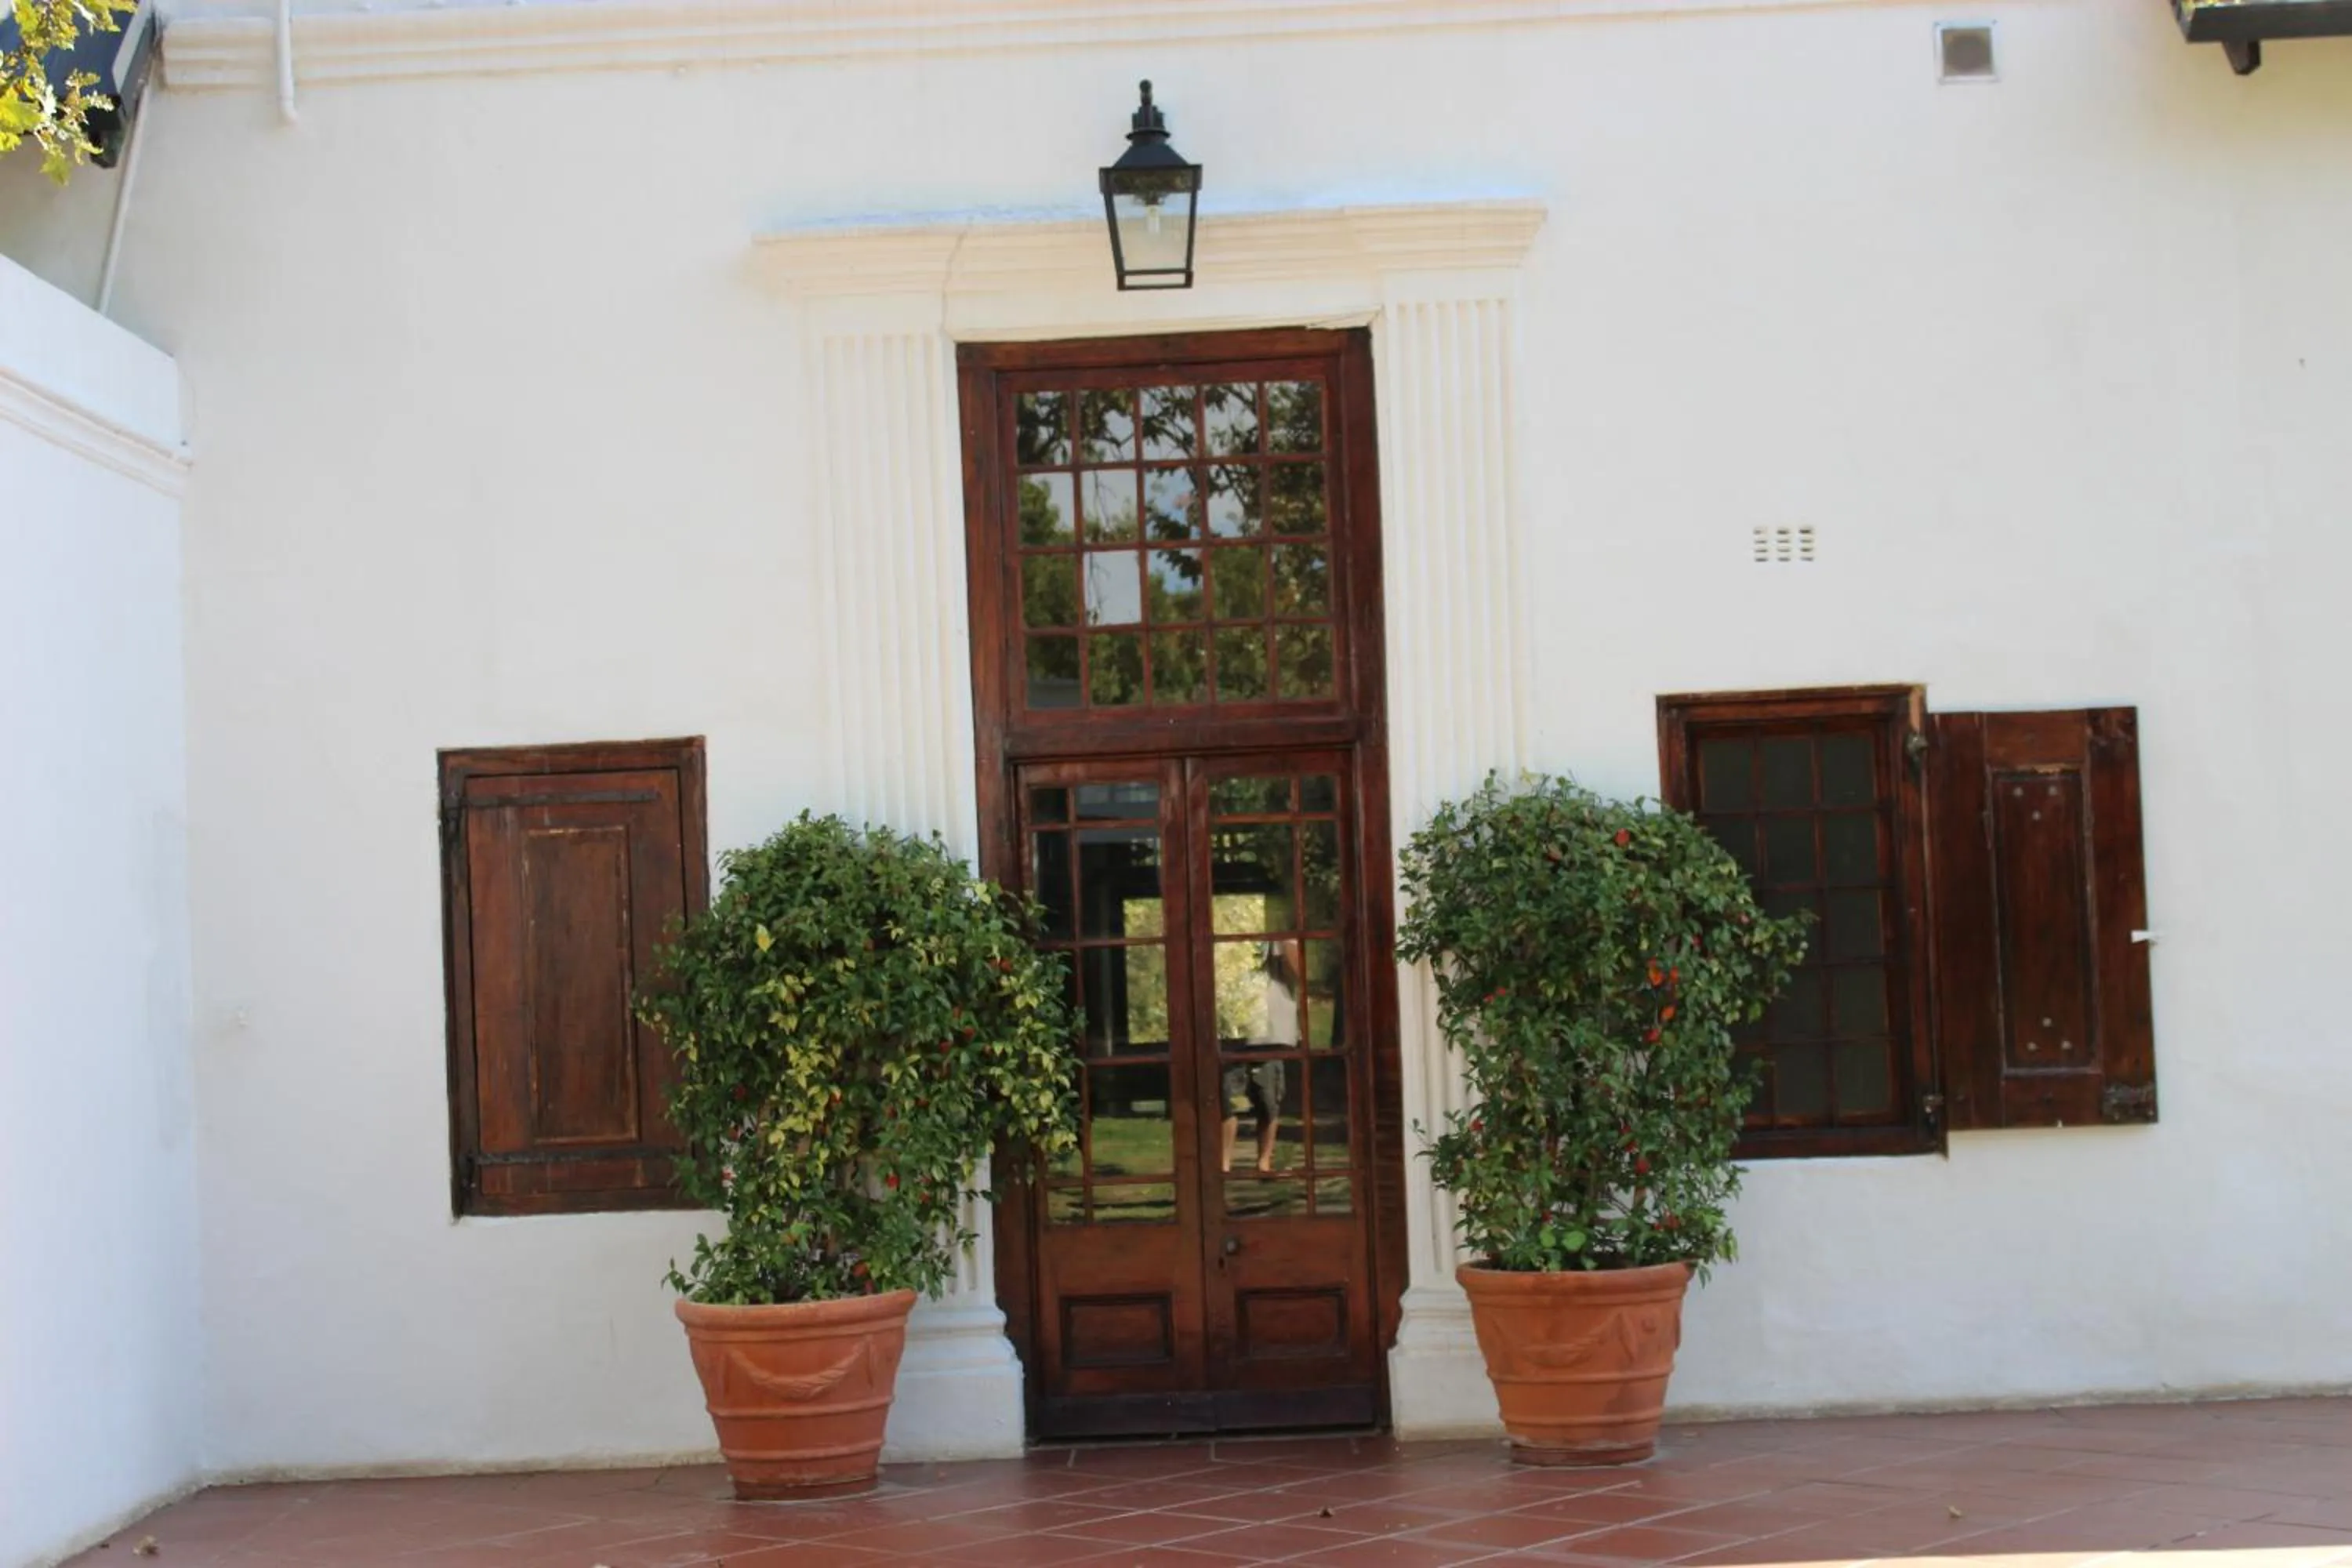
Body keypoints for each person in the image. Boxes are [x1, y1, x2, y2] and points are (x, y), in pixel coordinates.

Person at [1220, 944, 1298, 1173]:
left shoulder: (1276, 942)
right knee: (1227, 1102)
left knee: (1269, 1102)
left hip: (1269, 1034)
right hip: (1232, 1032)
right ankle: (1224, 1164)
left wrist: (1285, 942)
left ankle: (1264, 1162)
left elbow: (1300, 971)